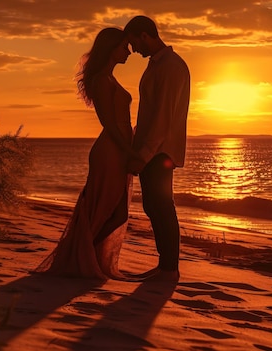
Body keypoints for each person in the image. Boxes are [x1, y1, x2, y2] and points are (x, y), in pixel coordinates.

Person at [35, 28, 138, 280]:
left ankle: (84, 256)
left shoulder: (110, 78)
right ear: (111, 48)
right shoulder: (102, 80)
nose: (129, 51)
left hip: (119, 148)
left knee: (117, 212)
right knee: (106, 209)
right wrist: (128, 152)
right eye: (125, 46)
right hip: (111, 151)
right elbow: (109, 123)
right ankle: (81, 257)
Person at [124, 16, 190, 282]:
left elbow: (163, 117)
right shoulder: (157, 65)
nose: (133, 49)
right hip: (153, 147)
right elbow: (150, 113)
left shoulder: (171, 67)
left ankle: (169, 268)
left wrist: (144, 154)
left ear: (144, 35)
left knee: (162, 205)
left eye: (134, 42)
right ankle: (165, 265)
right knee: (154, 205)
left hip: (161, 150)